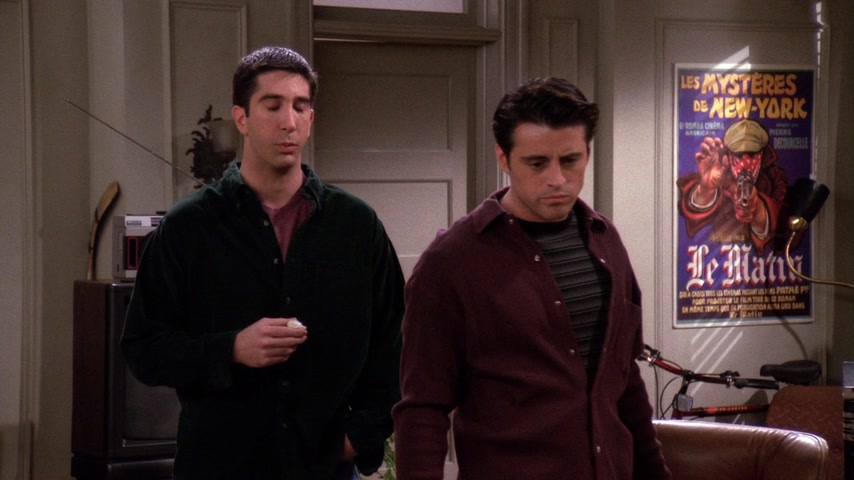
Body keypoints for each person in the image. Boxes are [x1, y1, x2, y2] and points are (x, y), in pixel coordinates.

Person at [121, 46, 405, 480]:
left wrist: (361, 434)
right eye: (272, 106)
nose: (288, 121)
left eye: (300, 106)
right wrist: (232, 349)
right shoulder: (190, 226)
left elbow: (395, 342)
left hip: (324, 466)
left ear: (310, 117)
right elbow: (144, 348)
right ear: (242, 118)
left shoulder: (355, 224)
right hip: (220, 465)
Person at [392, 77, 671, 479]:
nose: (557, 179)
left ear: (588, 154)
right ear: (504, 159)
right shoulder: (452, 261)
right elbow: (423, 407)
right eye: (537, 164)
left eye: (570, 160)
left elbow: (624, 383)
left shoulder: (605, 240)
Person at [676, 118, 788, 254]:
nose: (745, 163)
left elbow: (785, 227)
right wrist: (705, 189)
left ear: (761, 154)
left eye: (752, 155)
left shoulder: (775, 177)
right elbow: (691, 222)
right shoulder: (719, 173)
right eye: (739, 155)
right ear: (729, 155)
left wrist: (759, 211)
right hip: (718, 255)